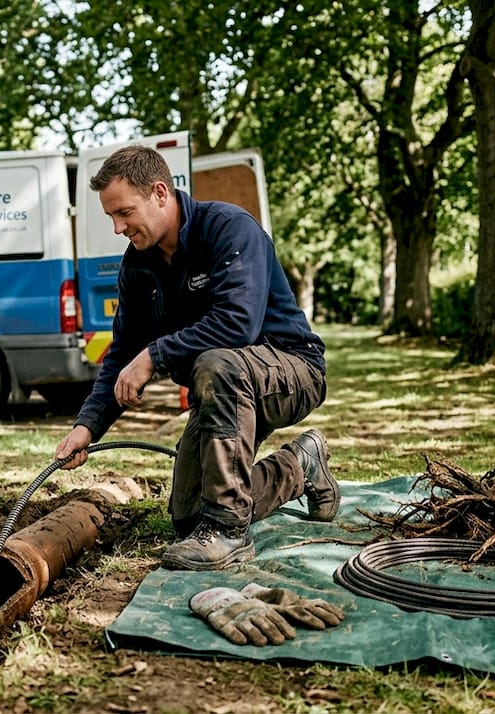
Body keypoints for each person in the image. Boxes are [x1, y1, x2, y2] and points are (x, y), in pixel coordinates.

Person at [54, 144, 337, 571]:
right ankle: (300, 464)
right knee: (189, 518)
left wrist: (155, 355)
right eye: (111, 216)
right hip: (223, 390)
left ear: (160, 193)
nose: (118, 227)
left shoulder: (229, 228)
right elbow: (122, 353)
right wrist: (87, 427)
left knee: (216, 364)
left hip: (292, 370)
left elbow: (237, 324)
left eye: (124, 213)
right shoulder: (137, 266)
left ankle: (228, 532)